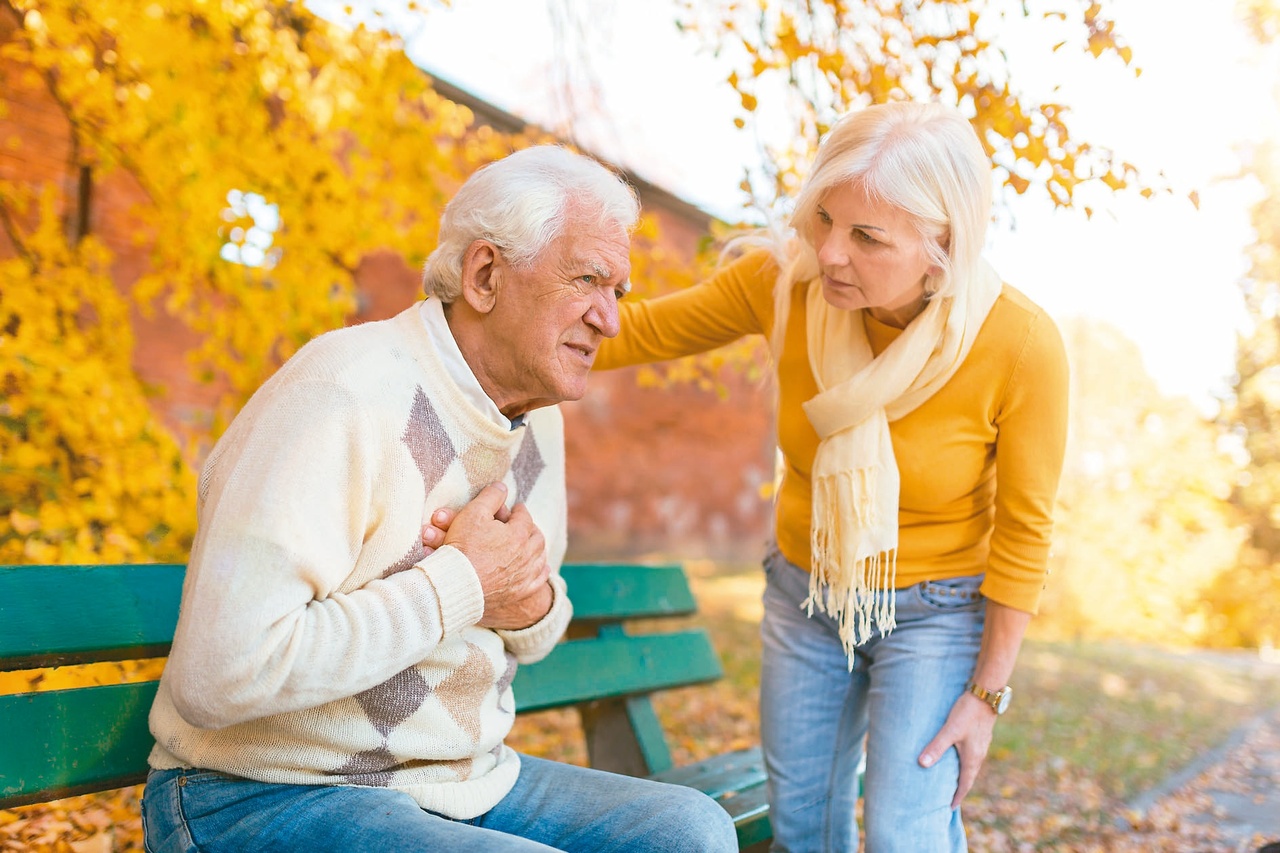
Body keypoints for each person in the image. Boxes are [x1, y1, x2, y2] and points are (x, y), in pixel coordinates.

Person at [141, 144, 738, 853]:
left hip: (460, 780)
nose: (609, 320)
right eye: (587, 279)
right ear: (485, 274)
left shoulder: (534, 417)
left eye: (619, 292)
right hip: (256, 791)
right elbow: (219, 674)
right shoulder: (341, 395)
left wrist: (528, 600)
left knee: (692, 831)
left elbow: (535, 617)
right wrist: (461, 584)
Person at [591, 102, 1069, 852]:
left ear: (941, 245)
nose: (829, 252)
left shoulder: (1019, 344)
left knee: (904, 831)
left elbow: (1025, 532)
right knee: (804, 827)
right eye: (824, 218)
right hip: (806, 593)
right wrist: (497, 336)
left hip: (938, 613)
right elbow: (643, 330)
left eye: (867, 237)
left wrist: (985, 695)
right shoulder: (788, 283)